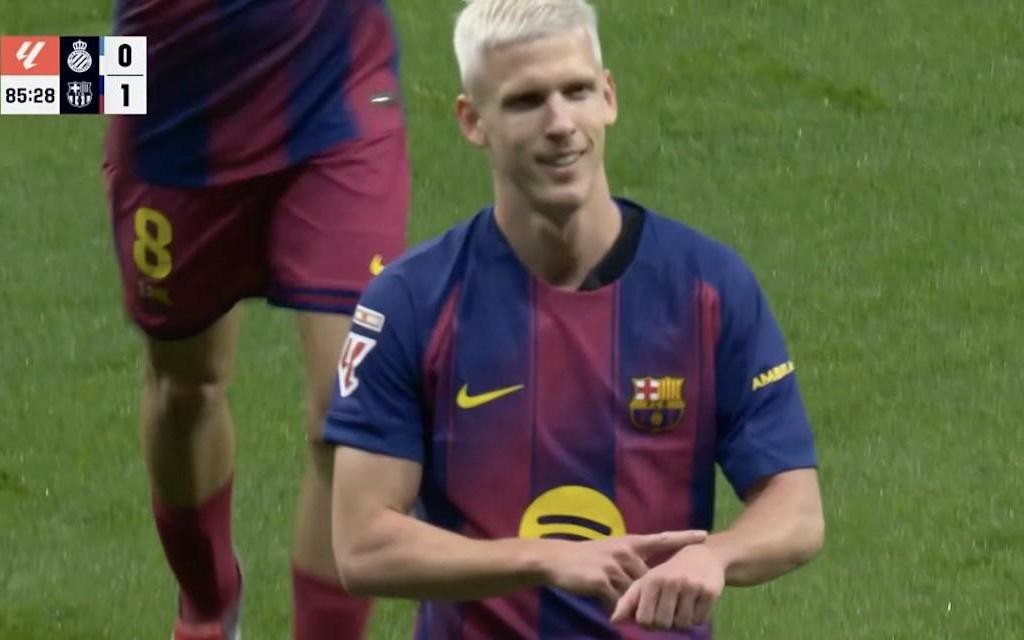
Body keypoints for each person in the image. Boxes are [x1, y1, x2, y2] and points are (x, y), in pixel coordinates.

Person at [325, 0, 824, 637]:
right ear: (473, 121)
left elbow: (796, 507)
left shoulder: (708, 288)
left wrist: (717, 556)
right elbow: (363, 545)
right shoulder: (409, 304)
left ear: (609, 97)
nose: (561, 123)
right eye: (527, 101)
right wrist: (546, 558)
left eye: (577, 91)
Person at [102, 1, 409, 638]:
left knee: (350, 415)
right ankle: (208, 608)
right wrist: (28, 76)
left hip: (337, 96)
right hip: (172, 121)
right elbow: (79, 71)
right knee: (185, 392)